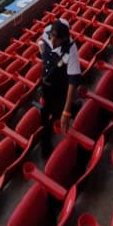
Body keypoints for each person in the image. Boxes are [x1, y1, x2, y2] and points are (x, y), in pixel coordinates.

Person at [38, 19, 82, 157]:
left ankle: (46, 147)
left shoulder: (71, 49)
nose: (53, 41)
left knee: (50, 114)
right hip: (46, 84)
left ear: (64, 39)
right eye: (52, 36)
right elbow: (41, 41)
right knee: (48, 111)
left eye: (57, 39)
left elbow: (73, 80)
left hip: (60, 86)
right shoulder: (47, 33)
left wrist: (66, 112)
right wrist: (42, 51)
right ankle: (74, 108)